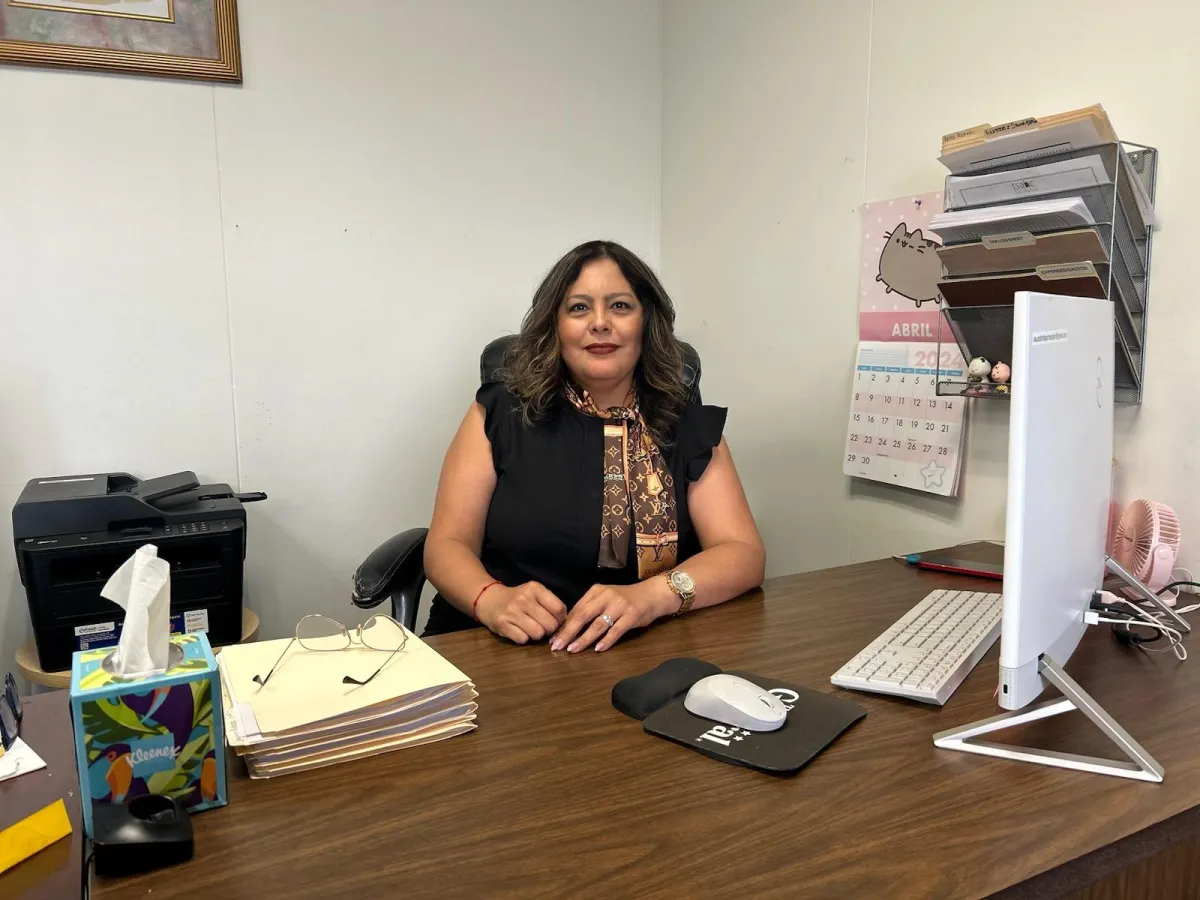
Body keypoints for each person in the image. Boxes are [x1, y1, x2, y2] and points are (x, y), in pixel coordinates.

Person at [423, 240, 765, 652]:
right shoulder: (500, 413)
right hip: (497, 641)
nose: (600, 323)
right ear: (555, 325)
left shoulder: (687, 424)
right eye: (579, 308)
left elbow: (743, 553)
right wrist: (491, 599)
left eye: (620, 306)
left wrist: (652, 596)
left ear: (646, 321)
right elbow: (447, 544)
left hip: (639, 645)